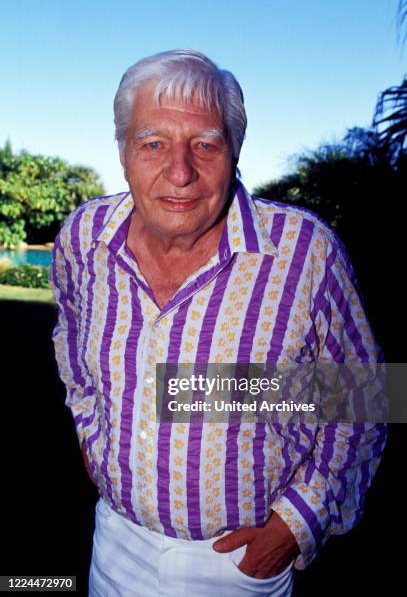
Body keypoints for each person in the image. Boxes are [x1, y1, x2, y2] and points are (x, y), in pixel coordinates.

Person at [50, 50, 387, 597]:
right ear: (123, 151)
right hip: (114, 546)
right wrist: (90, 432)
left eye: (204, 144)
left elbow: (360, 398)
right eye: (153, 143)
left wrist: (299, 521)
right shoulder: (84, 238)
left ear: (235, 150)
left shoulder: (302, 253)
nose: (180, 172)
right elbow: (71, 338)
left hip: (238, 567)